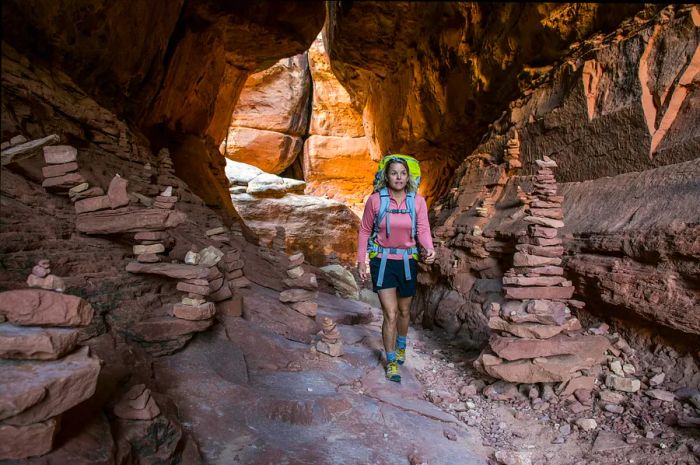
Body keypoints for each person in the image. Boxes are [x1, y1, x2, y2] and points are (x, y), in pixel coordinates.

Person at [357, 156, 435, 382]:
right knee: (390, 313)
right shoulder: (375, 201)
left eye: (403, 173)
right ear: (386, 176)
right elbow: (364, 230)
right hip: (382, 262)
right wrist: (361, 261)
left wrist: (429, 248)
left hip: (407, 262)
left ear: (408, 176)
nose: (398, 177)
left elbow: (423, 229)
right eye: (394, 173)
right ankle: (391, 361)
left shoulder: (417, 202)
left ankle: (401, 344)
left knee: (404, 311)